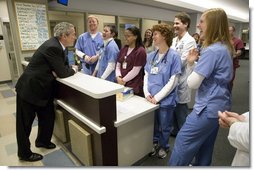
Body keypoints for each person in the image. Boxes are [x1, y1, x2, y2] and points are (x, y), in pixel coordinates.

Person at [168, 8, 234, 166]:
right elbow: (211, 73)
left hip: (207, 107)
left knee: (182, 143)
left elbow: (193, 83)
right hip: (219, 105)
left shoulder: (211, 50)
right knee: (205, 146)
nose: (198, 24)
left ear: (212, 24)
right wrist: (195, 64)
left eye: (202, 21)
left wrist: (191, 64)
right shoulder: (223, 47)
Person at [15, 22, 78, 162]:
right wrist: (73, 70)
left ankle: (42, 141)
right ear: (63, 35)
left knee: (47, 116)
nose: (75, 36)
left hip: (43, 90)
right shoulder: (53, 47)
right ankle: (24, 153)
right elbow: (62, 72)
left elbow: (61, 67)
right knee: (24, 124)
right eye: (73, 34)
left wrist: (63, 70)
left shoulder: (60, 46)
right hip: (30, 89)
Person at [144, 24, 181, 159]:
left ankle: (164, 146)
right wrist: (147, 94)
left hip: (165, 99)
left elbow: (173, 80)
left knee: (165, 126)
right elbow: (146, 75)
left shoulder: (174, 56)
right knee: (153, 125)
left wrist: (157, 97)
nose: (152, 36)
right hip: (150, 98)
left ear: (164, 36)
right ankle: (154, 143)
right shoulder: (151, 56)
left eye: (155, 34)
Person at [170, 12, 197, 136]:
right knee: (174, 107)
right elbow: (169, 56)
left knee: (181, 109)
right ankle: (175, 130)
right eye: (174, 23)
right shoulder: (174, 39)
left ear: (185, 24)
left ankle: (183, 134)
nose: (174, 25)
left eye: (177, 23)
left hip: (182, 78)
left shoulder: (190, 41)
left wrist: (167, 68)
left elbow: (181, 61)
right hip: (173, 76)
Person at [115, 26, 146, 97]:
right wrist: (118, 77)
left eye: (128, 36)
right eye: (125, 36)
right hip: (121, 83)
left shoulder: (140, 51)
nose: (125, 38)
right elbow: (118, 65)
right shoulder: (124, 49)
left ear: (135, 37)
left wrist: (123, 80)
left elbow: (135, 70)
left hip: (133, 86)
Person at [229, 25, 245, 92]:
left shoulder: (238, 41)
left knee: (229, 81)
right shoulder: (223, 39)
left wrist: (233, 55)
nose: (228, 32)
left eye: (230, 30)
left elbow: (239, 52)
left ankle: (228, 96)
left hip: (232, 64)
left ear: (233, 31)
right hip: (222, 64)